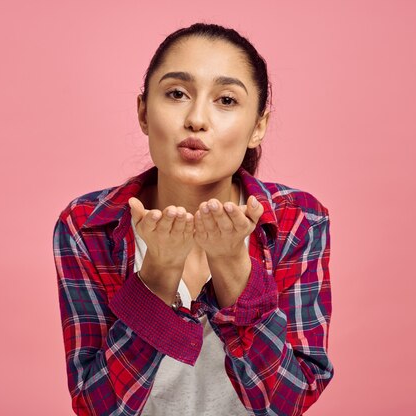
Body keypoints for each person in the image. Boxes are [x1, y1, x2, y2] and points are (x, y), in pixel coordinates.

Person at [52, 22, 334, 416]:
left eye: (227, 100)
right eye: (177, 94)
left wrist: (233, 266)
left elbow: (287, 403)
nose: (197, 118)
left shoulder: (297, 221)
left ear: (258, 127)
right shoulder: (87, 226)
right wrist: (157, 275)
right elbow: (97, 407)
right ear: (143, 113)